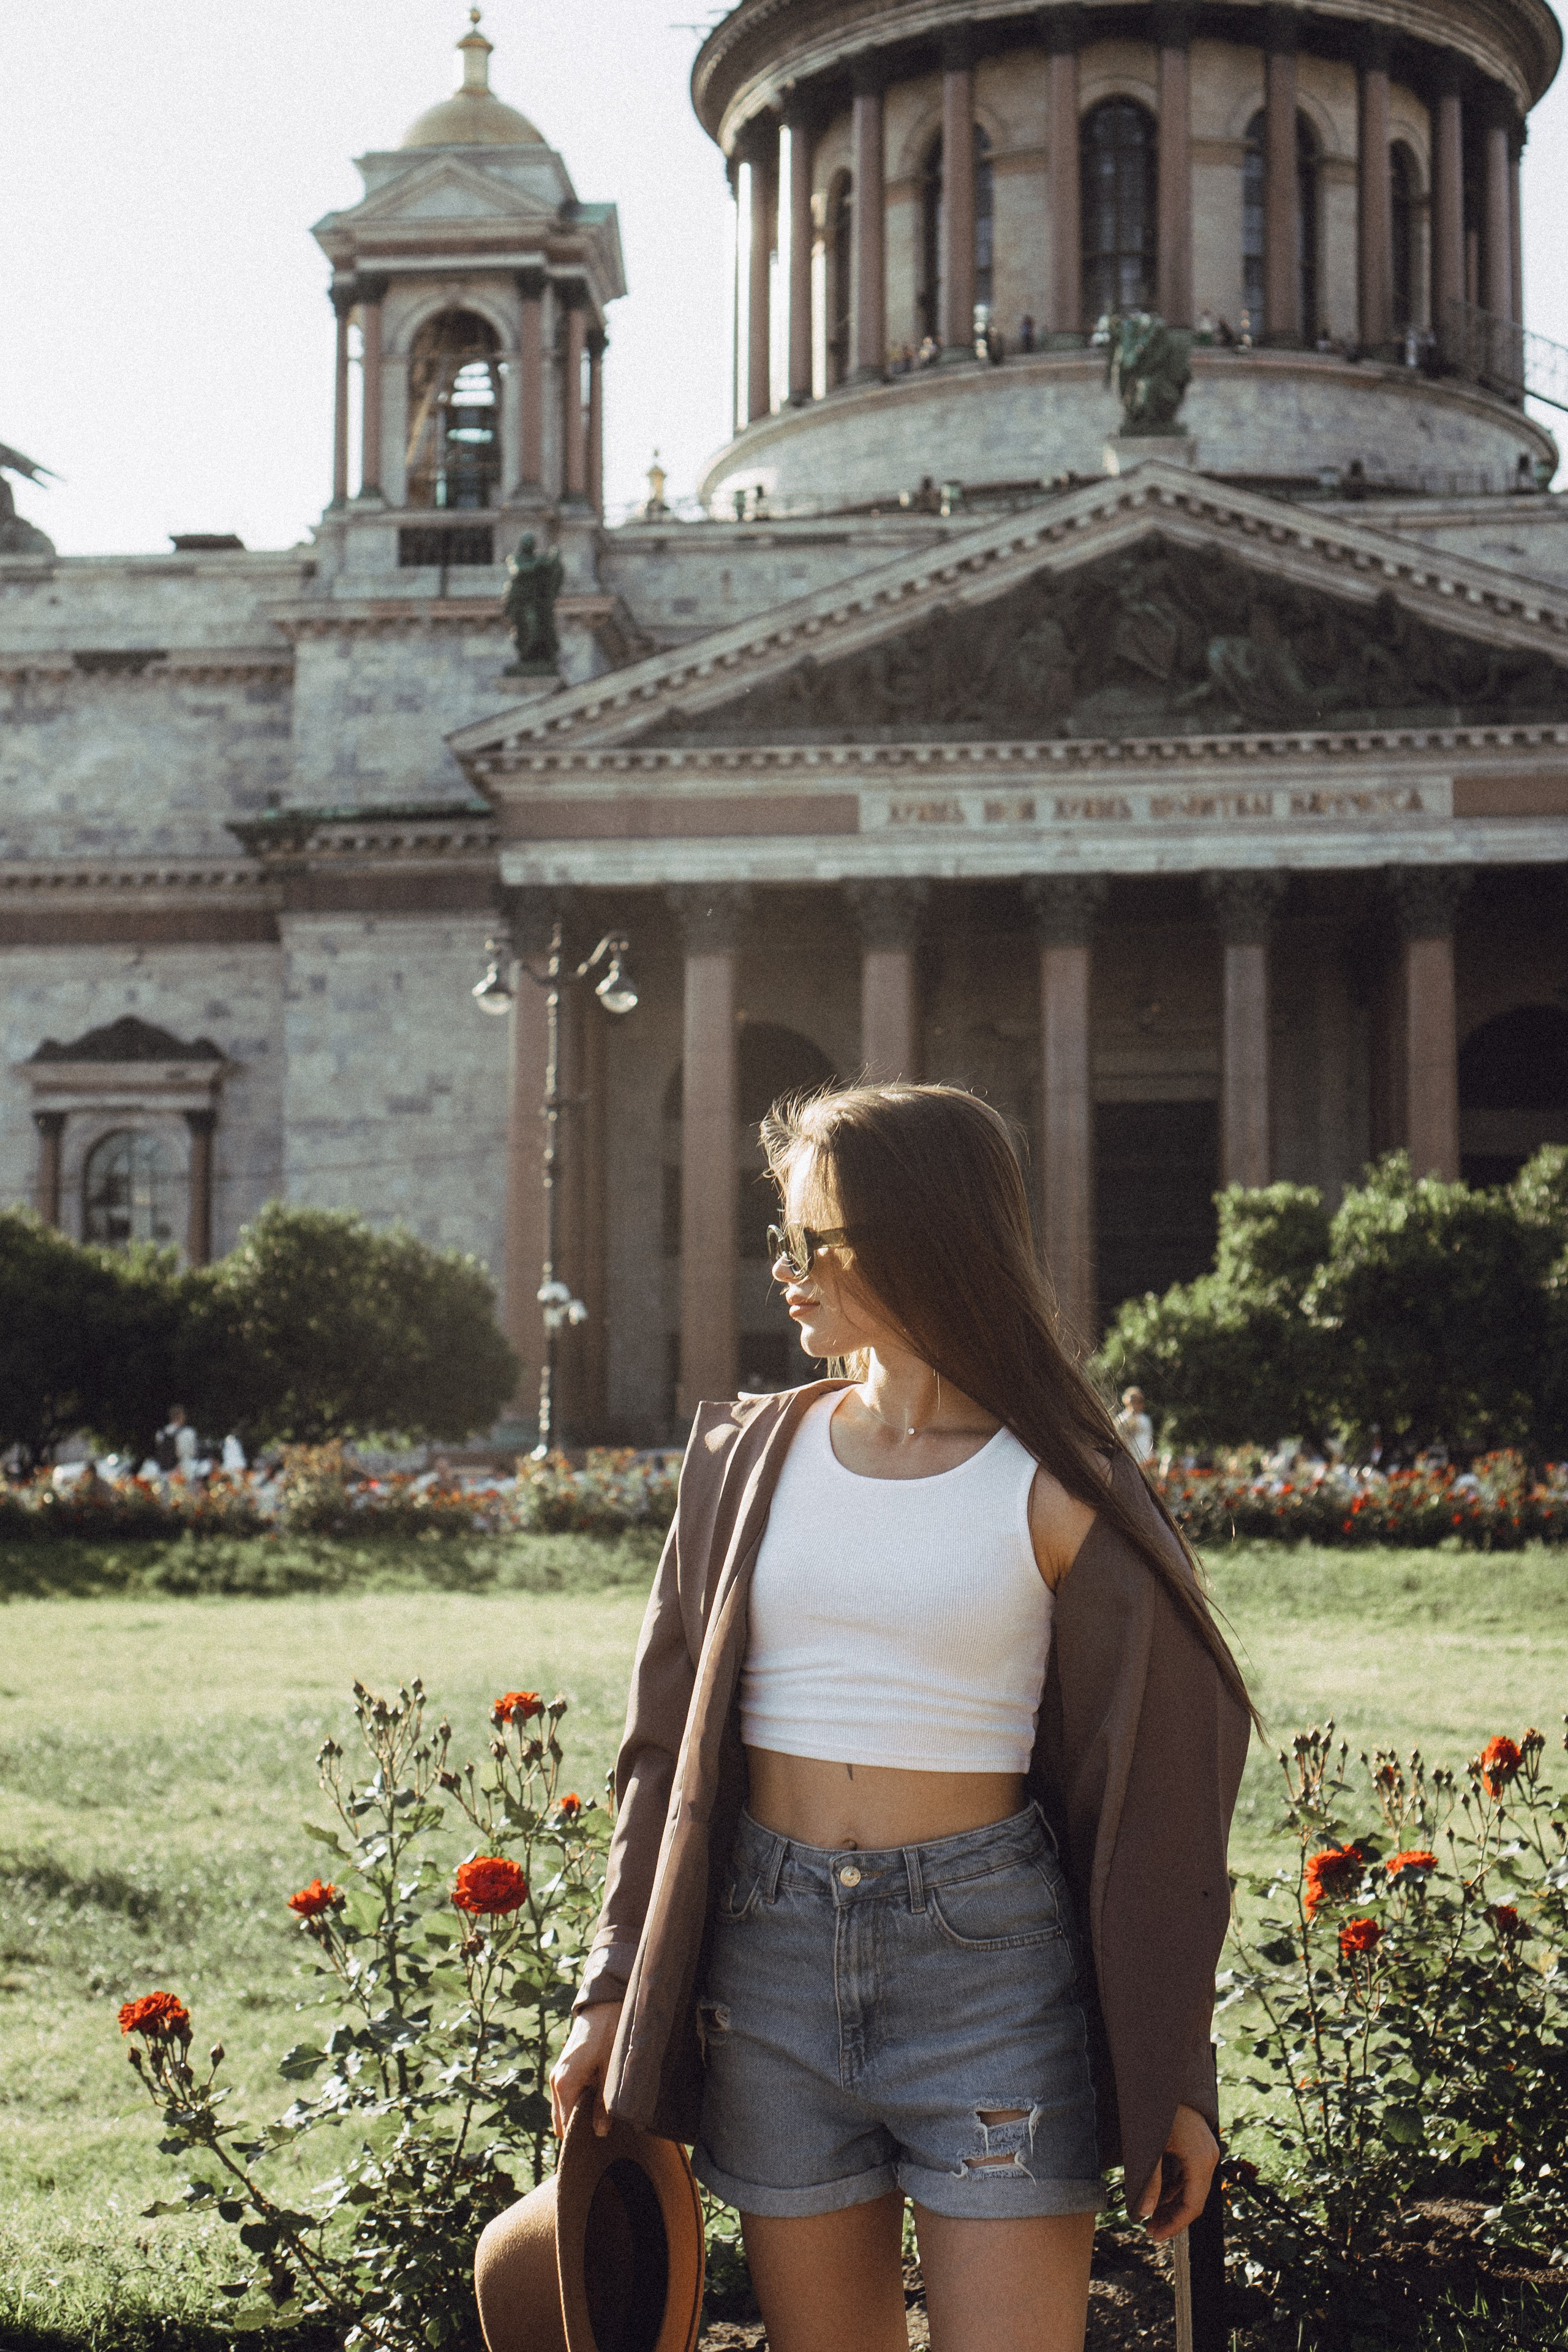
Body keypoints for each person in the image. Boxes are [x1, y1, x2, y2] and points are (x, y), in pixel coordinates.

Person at [548, 1084, 1252, 2352]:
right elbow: (661, 1759)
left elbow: (1163, 1804)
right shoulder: (746, 1458)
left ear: (922, 1237)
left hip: (989, 1972)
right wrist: (607, 1994)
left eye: (814, 1241)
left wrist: (1178, 2080)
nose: (785, 1270)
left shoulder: (1057, 1483)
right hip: (762, 1972)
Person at [1115, 1385, 1155, 1464]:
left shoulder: (1146, 1419)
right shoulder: (1122, 1419)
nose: (1137, 1403)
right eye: (1134, 1400)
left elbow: (1149, 1438)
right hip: (1130, 1460)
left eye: (1140, 1400)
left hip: (1146, 1460)